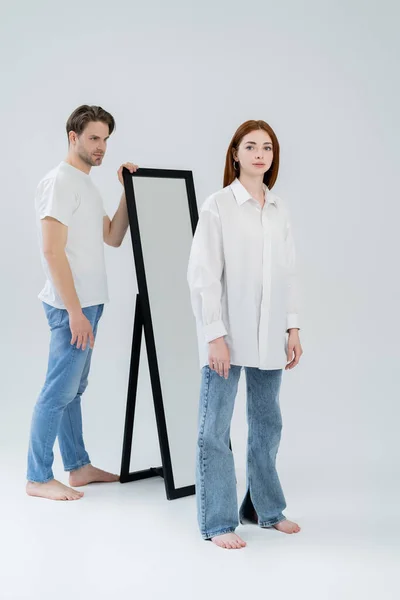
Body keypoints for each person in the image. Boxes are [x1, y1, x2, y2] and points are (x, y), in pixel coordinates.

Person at [187, 119, 303, 549]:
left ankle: (264, 508)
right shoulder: (218, 205)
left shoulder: (279, 209)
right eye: (250, 146)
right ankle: (218, 522)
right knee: (214, 428)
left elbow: (289, 273)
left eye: (267, 147)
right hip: (228, 335)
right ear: (235, 153)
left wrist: (293, 327)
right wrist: (214, 334)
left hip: (272, 334)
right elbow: (203, 275)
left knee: (267, 423)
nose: (259, 153)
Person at [26, 105, 138, 501]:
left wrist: (127, 190)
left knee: (74, 390)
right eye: (94, 138)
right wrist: (74, 312)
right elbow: (52, 252)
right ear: (72, 137)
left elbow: (112, 236)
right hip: (70, 307)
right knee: (58, 391)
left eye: (106, 139)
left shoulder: (86, 184)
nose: (101, 146)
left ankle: (77, 467)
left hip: (90, 303)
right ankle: (38, 477)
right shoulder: (59, 182)